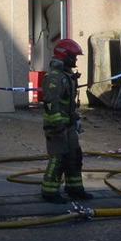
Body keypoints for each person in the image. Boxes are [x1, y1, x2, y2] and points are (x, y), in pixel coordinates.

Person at [39, 38, 90, 202]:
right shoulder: (55, 78)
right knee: (58, 158)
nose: (75, 60)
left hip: (68, 125)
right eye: (74, 56)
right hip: (57, 126)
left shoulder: (66, 76)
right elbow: (51, 104)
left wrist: (75, 119)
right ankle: (49, 192)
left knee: (74, 156)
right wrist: (58, 124)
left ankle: (75, 188)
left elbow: (68, 104)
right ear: (64, 56)